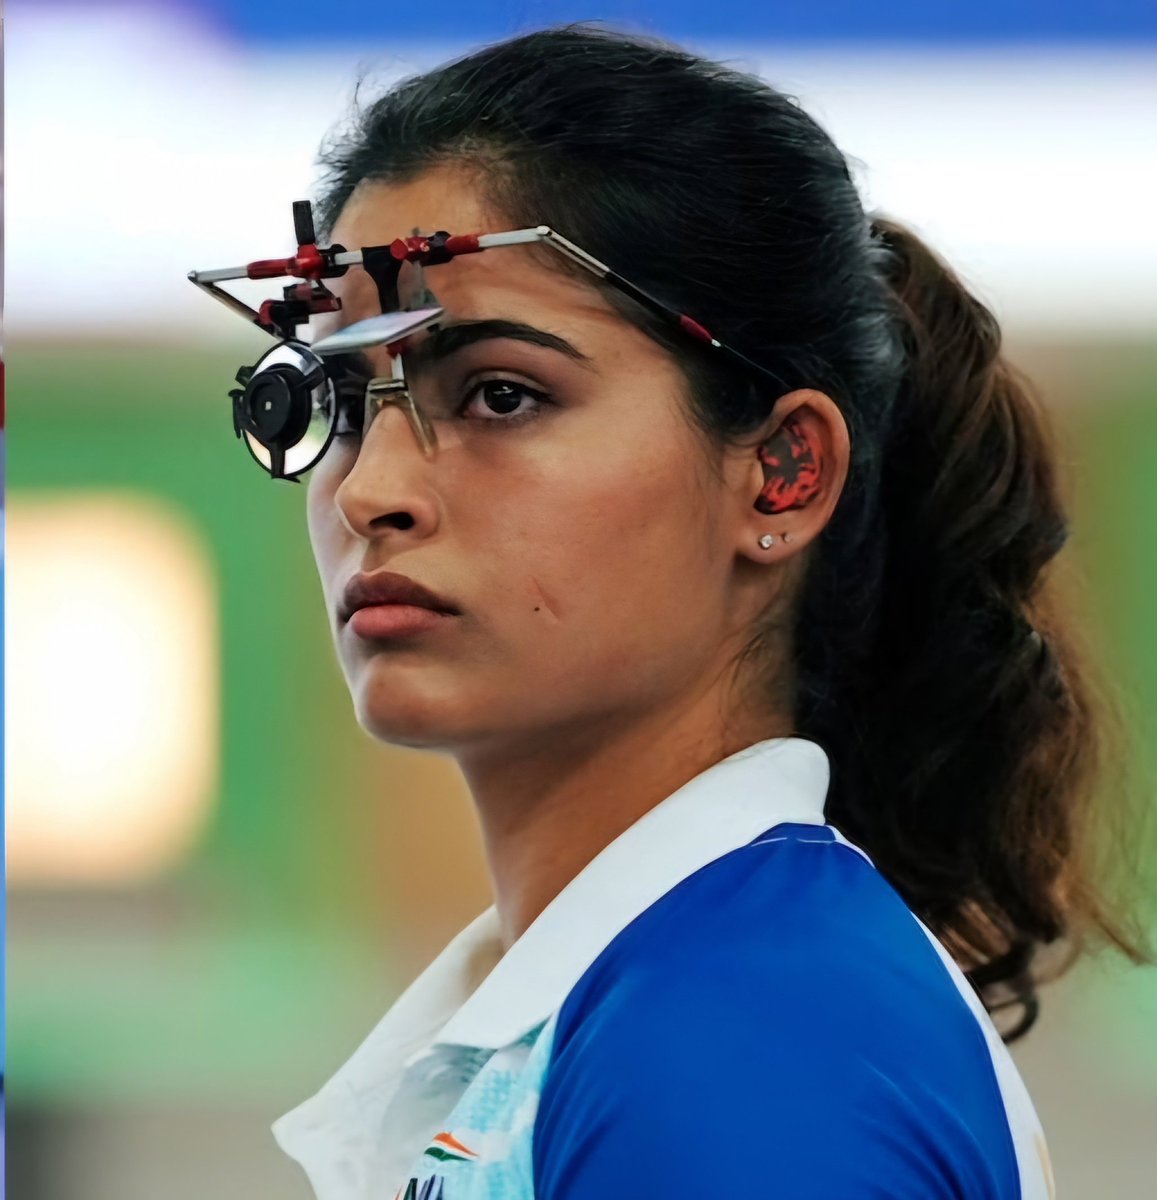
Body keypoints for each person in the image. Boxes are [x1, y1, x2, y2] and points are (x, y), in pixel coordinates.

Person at [266, 24, 1146, 1199]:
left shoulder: (741, 1043)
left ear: (781, 472)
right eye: (334, 396)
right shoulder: (647, 996)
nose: (370, 489)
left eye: (501, 394)